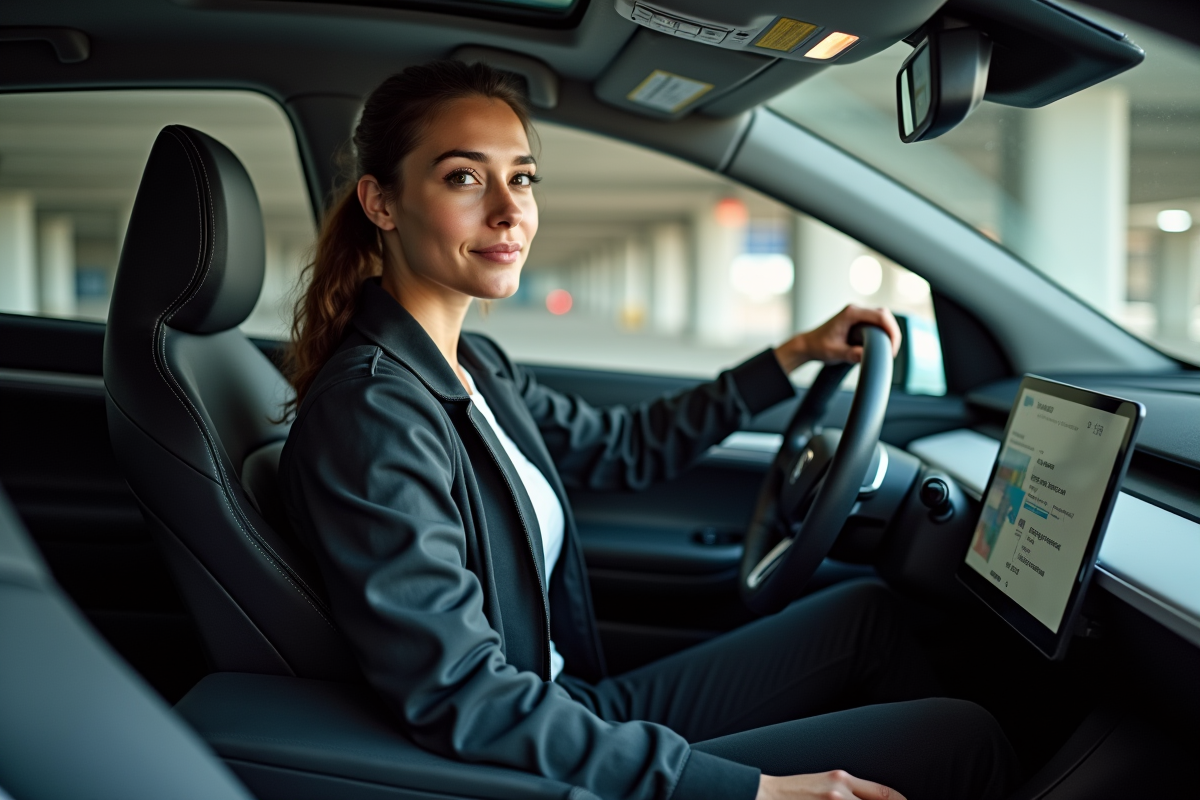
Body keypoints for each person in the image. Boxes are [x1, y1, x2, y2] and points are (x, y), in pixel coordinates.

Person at [279, 60, 1019, 800]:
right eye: (464, 179)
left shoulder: (474, 364)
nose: (509, 210)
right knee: (963, 738)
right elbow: (462, 698)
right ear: (381, 202)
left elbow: (621, 447)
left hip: (572, 705)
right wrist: (757, 793)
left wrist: (791, 357)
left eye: (524, 178)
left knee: (869, 616)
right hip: (535, 752)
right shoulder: (375, 412)